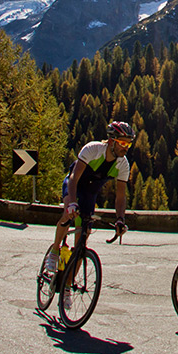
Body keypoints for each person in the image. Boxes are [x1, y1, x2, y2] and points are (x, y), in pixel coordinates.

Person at [43, 121, 135, 287]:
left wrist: (120, 219)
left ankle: (67, 287)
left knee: (81, 244)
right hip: (74, 186)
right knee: (68, 214)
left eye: (129, 143)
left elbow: (120, 197)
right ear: (112, 141)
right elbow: (73, 178)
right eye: (122, 143)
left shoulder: (123, 164)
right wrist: (71, 203)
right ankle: (55, 250)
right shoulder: (92, 149)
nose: (126, 147)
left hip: (89, 194)